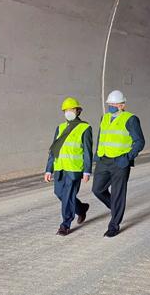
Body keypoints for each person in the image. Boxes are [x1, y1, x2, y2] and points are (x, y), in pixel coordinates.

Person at [93, 90, 145, 237]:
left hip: (120, 162)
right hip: (103, 160)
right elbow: (101, 137)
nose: (111, 106)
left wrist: (128, 157)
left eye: (114, 104)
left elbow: (139, 141)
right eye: (109, 104)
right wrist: (97, 154)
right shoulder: (104, 117)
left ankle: (114, 225)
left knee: (118, 194)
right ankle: (115, 208)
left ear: (122, 105)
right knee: (97, 189)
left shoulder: (131, 119)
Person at [44, 97, 92, 236]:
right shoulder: (60, 127)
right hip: (60, 168)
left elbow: (87, 151)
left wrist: (87, 171)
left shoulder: (85, 127)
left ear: (77, 111)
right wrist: (48, 169)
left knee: (68, 196)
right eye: (66, 110)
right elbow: (53, 149)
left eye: (71, 109)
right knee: (59, 193)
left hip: (74, 169)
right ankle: (81, 208)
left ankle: (65, 225)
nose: (68, 112)